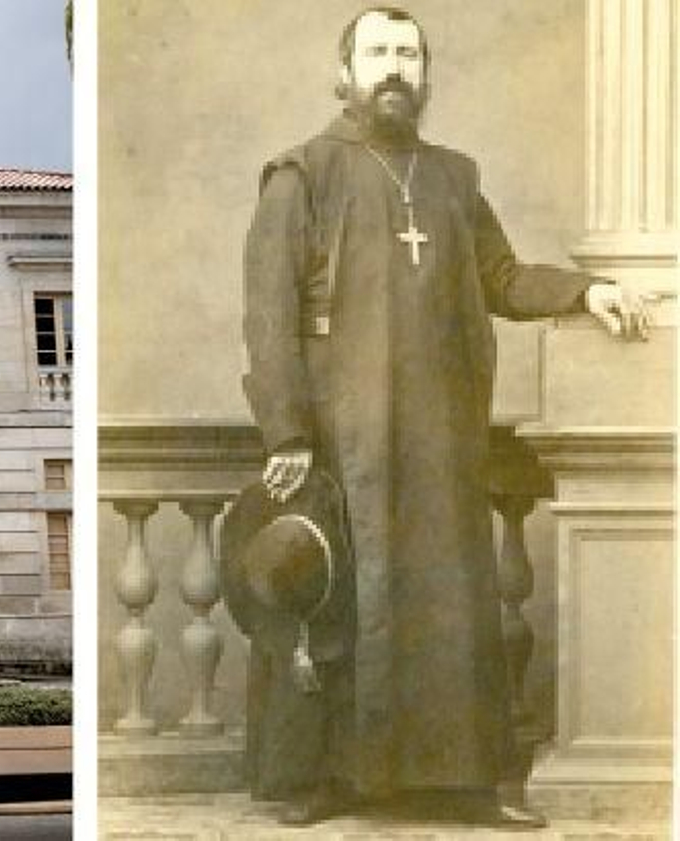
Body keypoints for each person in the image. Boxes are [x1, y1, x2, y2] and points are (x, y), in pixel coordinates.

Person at [240, 5, 648, 828]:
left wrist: (587, 289)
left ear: (423, 74)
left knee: (448, 605)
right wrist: (286, 430)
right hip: (339, 438)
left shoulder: (455, 177)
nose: (394, 67)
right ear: (344, 72)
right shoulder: (302, 174)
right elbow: (266, 312)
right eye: (378, 52)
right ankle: (328, 780)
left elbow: (501, 277)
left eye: (408, 53)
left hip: (441, 436)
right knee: (342, 606)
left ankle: (460, 782)